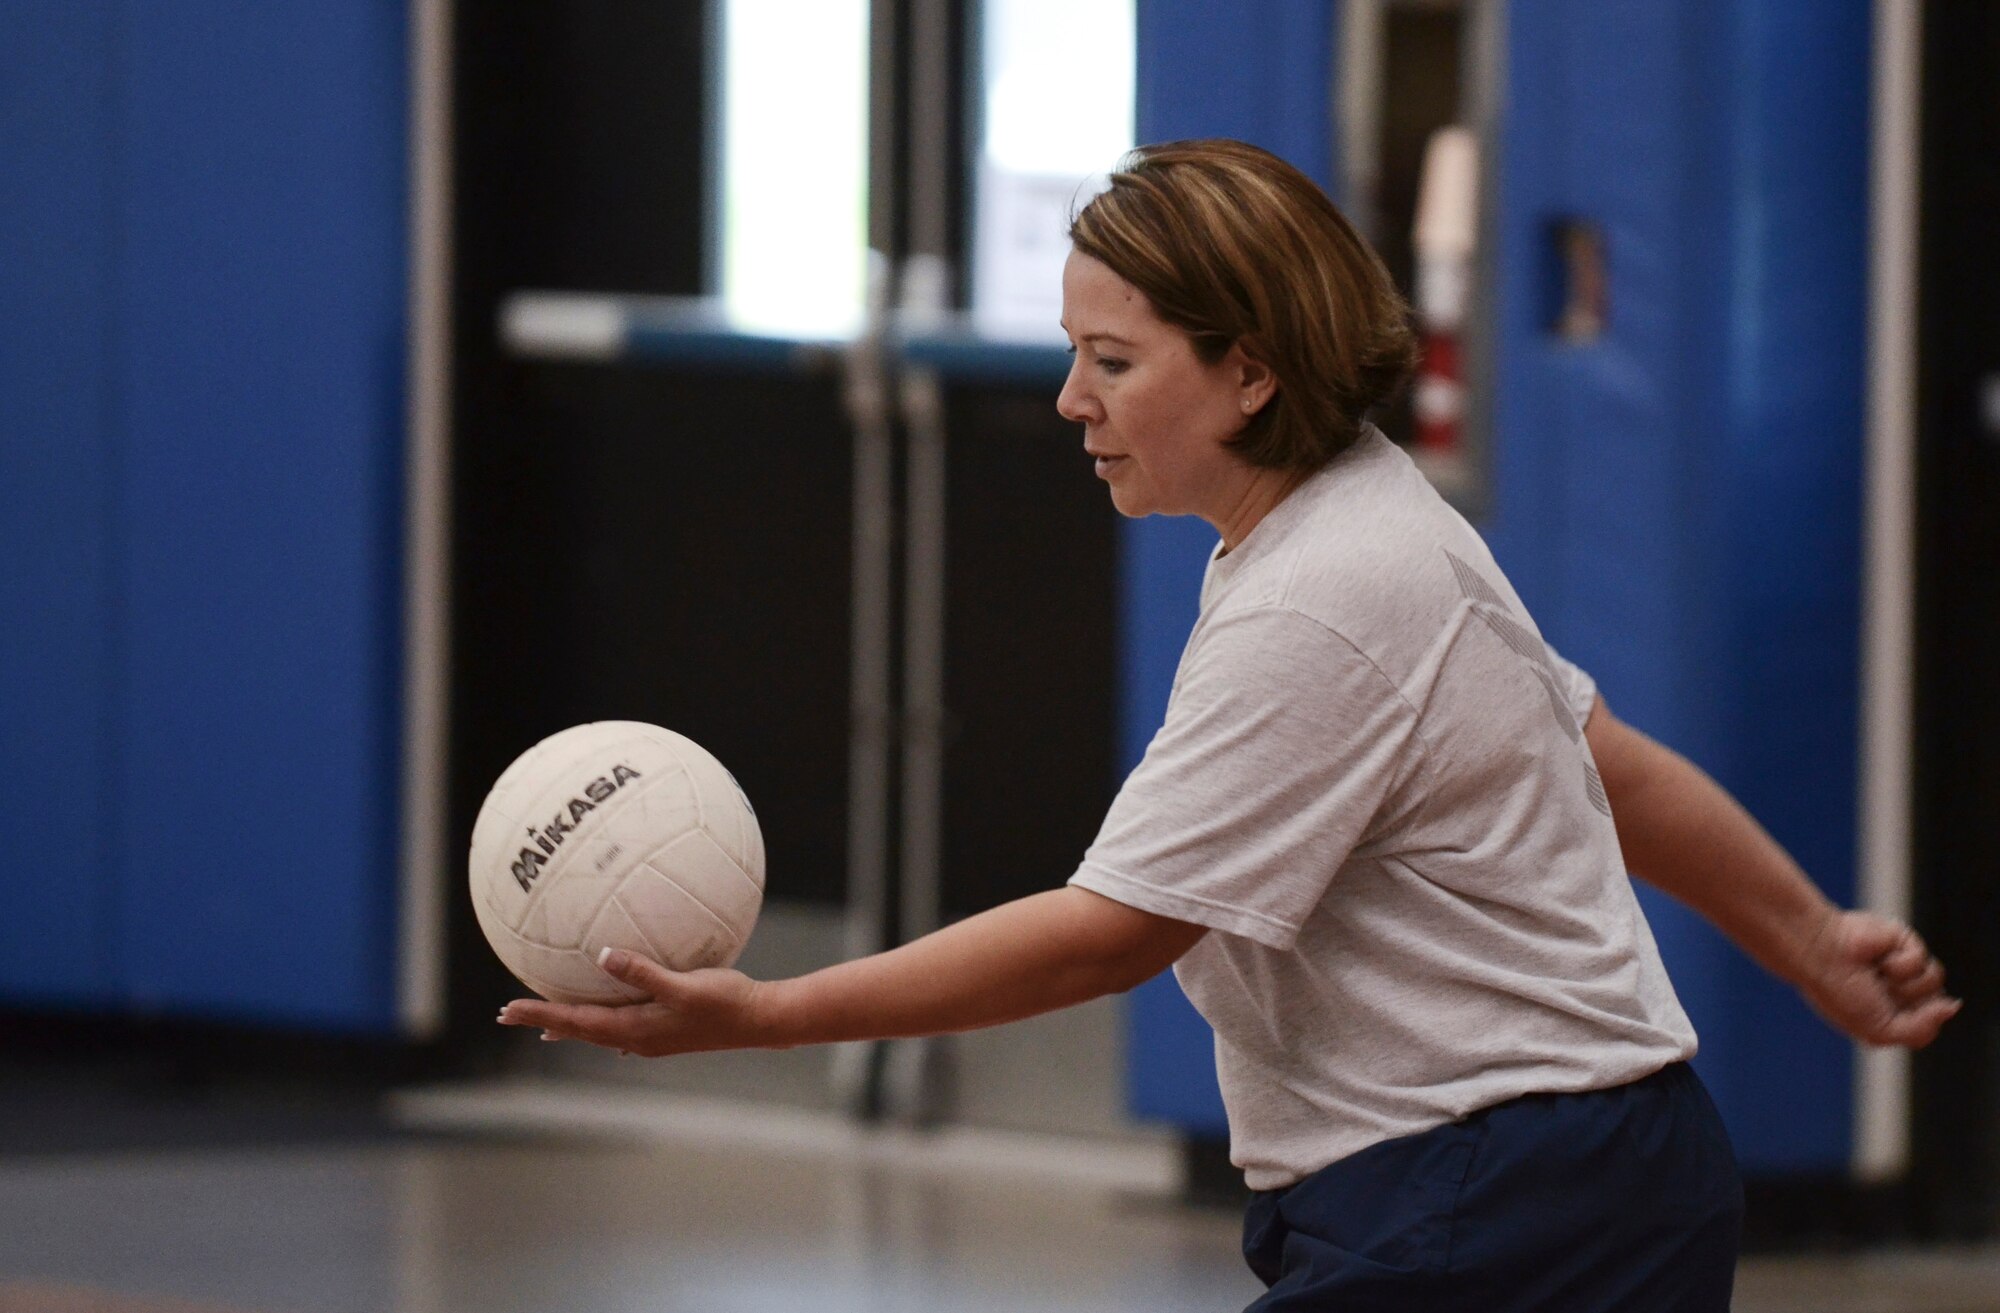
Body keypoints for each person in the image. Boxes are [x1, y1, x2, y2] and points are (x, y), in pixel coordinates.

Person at [499, 139, 1958, 1310]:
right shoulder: (1373, 516)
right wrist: (1812, 938)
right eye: (1073, 354)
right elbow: (1604, 756)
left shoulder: (1319, 599)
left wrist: (776, 1014)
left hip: (1505, 1194)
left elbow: (1112, 928)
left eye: (1115, 362)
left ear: (1250, 368)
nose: (1073, 400)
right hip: (1576, 1172)